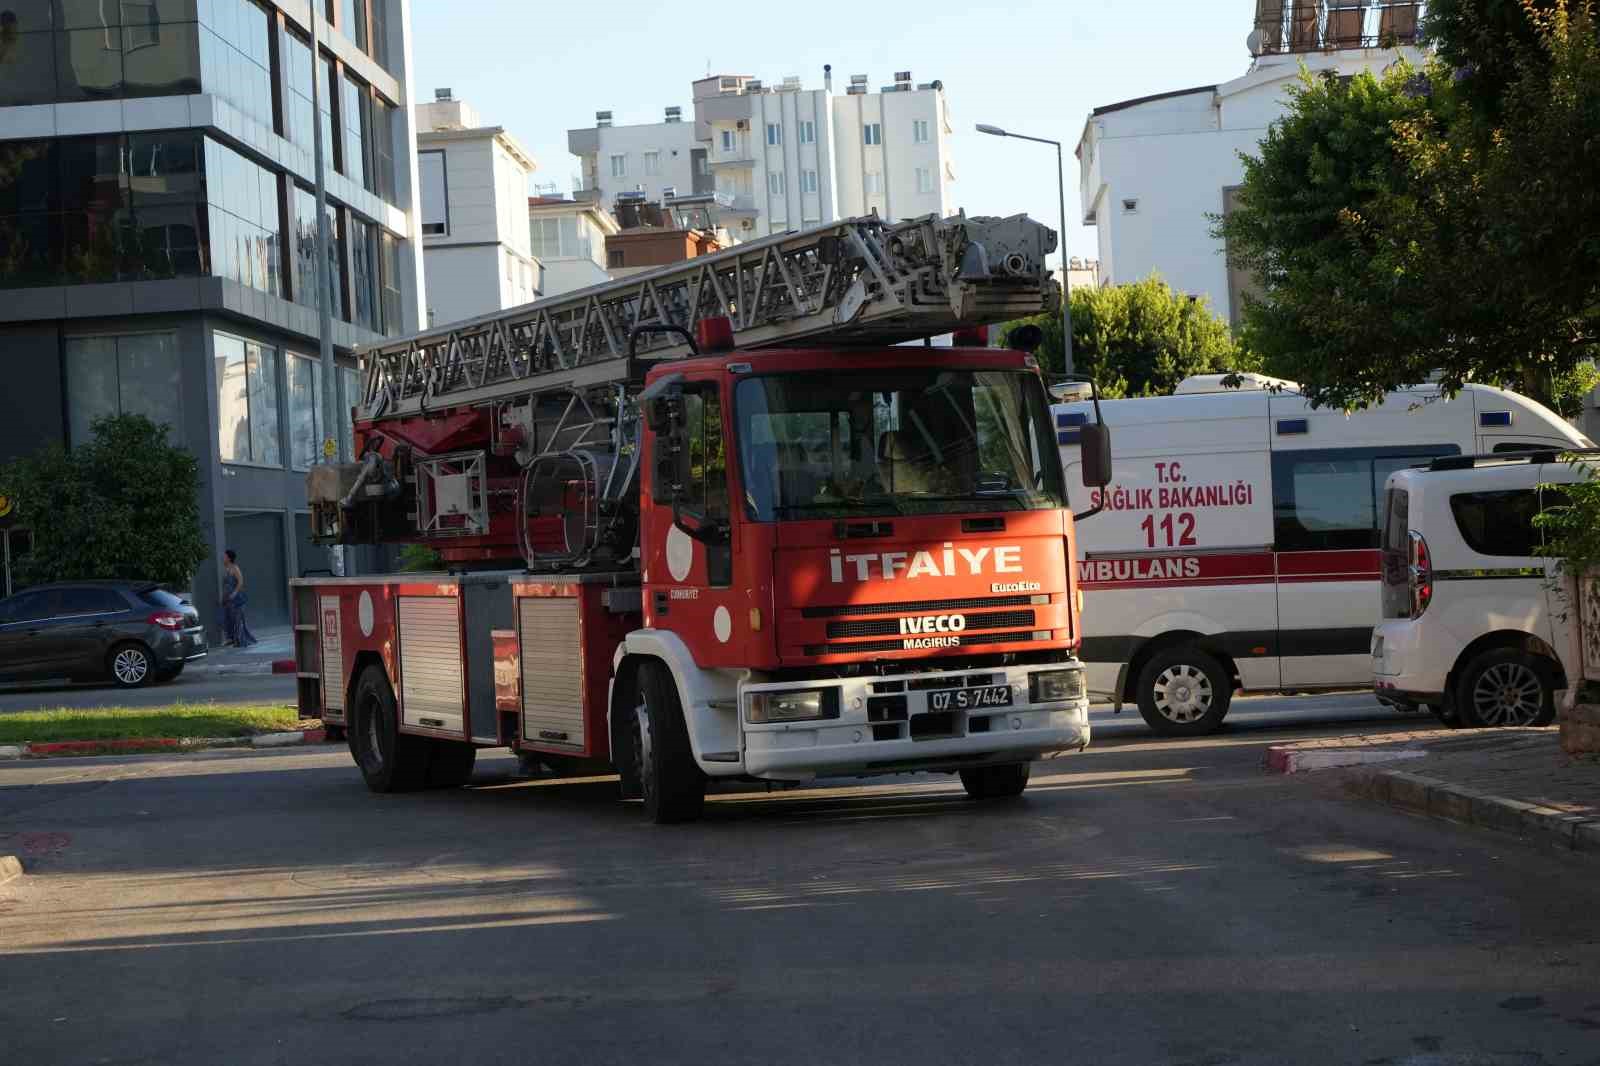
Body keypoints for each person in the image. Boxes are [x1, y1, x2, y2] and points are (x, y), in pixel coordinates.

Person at [221, 549, 257, 648]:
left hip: (237, 599)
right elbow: (225, 585)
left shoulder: (235, 568)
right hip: (228, 599)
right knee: (228, 619)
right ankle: (231, 639)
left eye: (224, 556)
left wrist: (234, 593)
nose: (223, 558)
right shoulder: (226, 568)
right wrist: (224, 597)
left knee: (238, 620)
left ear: (229, 558)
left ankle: (239, 640)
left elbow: (241, 582)